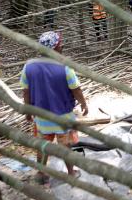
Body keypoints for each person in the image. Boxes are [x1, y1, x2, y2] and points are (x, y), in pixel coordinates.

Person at [20, 31, 88, 184]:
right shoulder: (65, 67)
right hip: (63, 116)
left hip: (41, 116)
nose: (62, 45)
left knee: (42, 146)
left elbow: (25, 90)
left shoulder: (29, 66)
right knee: (65, 147)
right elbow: (75, 89)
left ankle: (41, 173)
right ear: (56, 48)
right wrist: (83, 103)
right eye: (60, 44)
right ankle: (71, 173)